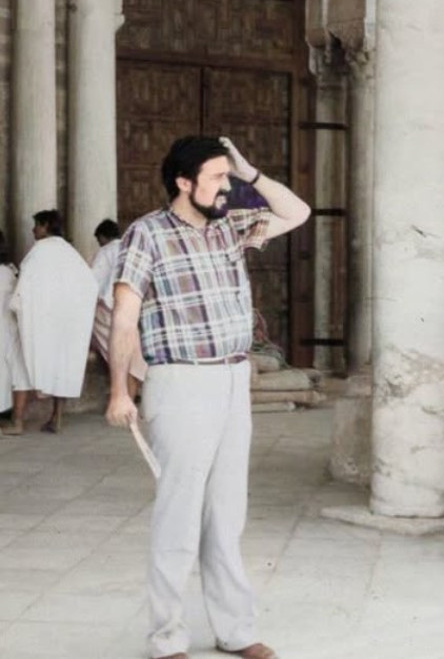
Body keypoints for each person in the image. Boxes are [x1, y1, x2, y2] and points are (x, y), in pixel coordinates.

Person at [106, 135, 310, 659]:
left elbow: (298, 211)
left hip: (232, 378)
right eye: (217, 177)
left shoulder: (229, 227)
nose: (225, 187)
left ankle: (235, 630)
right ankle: (167, 637)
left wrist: (249, 171)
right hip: (180, 381)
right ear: (183, 182)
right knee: (179, 510)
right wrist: (119, 391)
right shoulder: (145, 235)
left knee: (227, 510)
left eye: (226, 176)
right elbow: (124, 319)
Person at [5, 210, 97, 434]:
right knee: (63, 365)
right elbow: (90, 284)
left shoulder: (39, 251)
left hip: (44, 322)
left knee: (28, 364)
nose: (33, 230)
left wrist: (18, 306)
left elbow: (24, 286)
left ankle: (18, 420)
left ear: (46, 225)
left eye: (36, 225)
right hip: (67, 322)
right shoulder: (70, 252)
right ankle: (56, 416)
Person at [90, 218, 147, 400]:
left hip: (109, 307)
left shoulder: (105, 251)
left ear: (103, 237)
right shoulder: (130, 247)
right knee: (133, 355)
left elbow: (93, 282)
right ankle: (135, 393)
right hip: (132, 308)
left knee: (119, 355)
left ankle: (127, 398)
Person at [0, 230, 33, 431]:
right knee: (18, 371)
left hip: (5, 326)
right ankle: (17, 420)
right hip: (13, 326)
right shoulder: (11, 271)